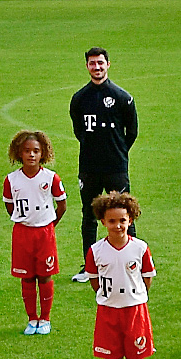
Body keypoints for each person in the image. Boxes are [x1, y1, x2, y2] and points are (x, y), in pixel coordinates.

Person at [86, 191, 155, 359]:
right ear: (103, 222)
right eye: (112, 221)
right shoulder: (96, 250)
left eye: (122, 220)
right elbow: (95, 279)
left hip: (135, 311)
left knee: (135, 358)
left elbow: (147, 277)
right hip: (108, 311)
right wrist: (107, 296)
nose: (118, 226)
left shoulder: (141, 248)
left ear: (131, 220)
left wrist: (136, 296)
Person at [70, 48, 139, 280]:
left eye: (100, 63)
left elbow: (132, 132)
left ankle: (132, 262)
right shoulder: (79, 99)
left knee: (124, 213)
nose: (97, 67)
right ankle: (89, 266)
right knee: (89, 215)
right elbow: (79, 131)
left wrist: (116, 151)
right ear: (87, 66)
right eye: (92, 64)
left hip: (116, 167)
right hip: (89, 167)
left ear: (108, 64)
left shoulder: (122, 98)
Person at [4, 130, 66, 335]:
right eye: (27, 151)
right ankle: (32, 319)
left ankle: (45, 318)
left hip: (45, 233)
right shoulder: (11, 180)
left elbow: (62, 205)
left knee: (45, 275)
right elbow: (10, 206)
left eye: (36, 151)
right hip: (22, 233)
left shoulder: (51, 178)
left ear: (43, 154)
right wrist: (25, 221)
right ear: (19, 153)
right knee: (27, 277)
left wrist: (49, 225)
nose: (31, 155)